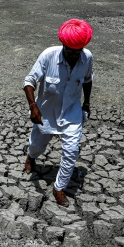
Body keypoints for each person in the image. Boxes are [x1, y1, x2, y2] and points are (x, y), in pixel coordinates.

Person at [22, 19, 94, 207]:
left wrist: (86, 104)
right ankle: (31, 156)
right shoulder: (48, 56)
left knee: (71, 151)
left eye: (76, 51)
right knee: (37, 145)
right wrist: (33, 107)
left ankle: (59, 188)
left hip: (71, 113)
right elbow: (29, 81)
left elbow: (87, 81)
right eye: (69, 49)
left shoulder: (87, 58)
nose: (72, 54)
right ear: (63, 44)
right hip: (46, 112)